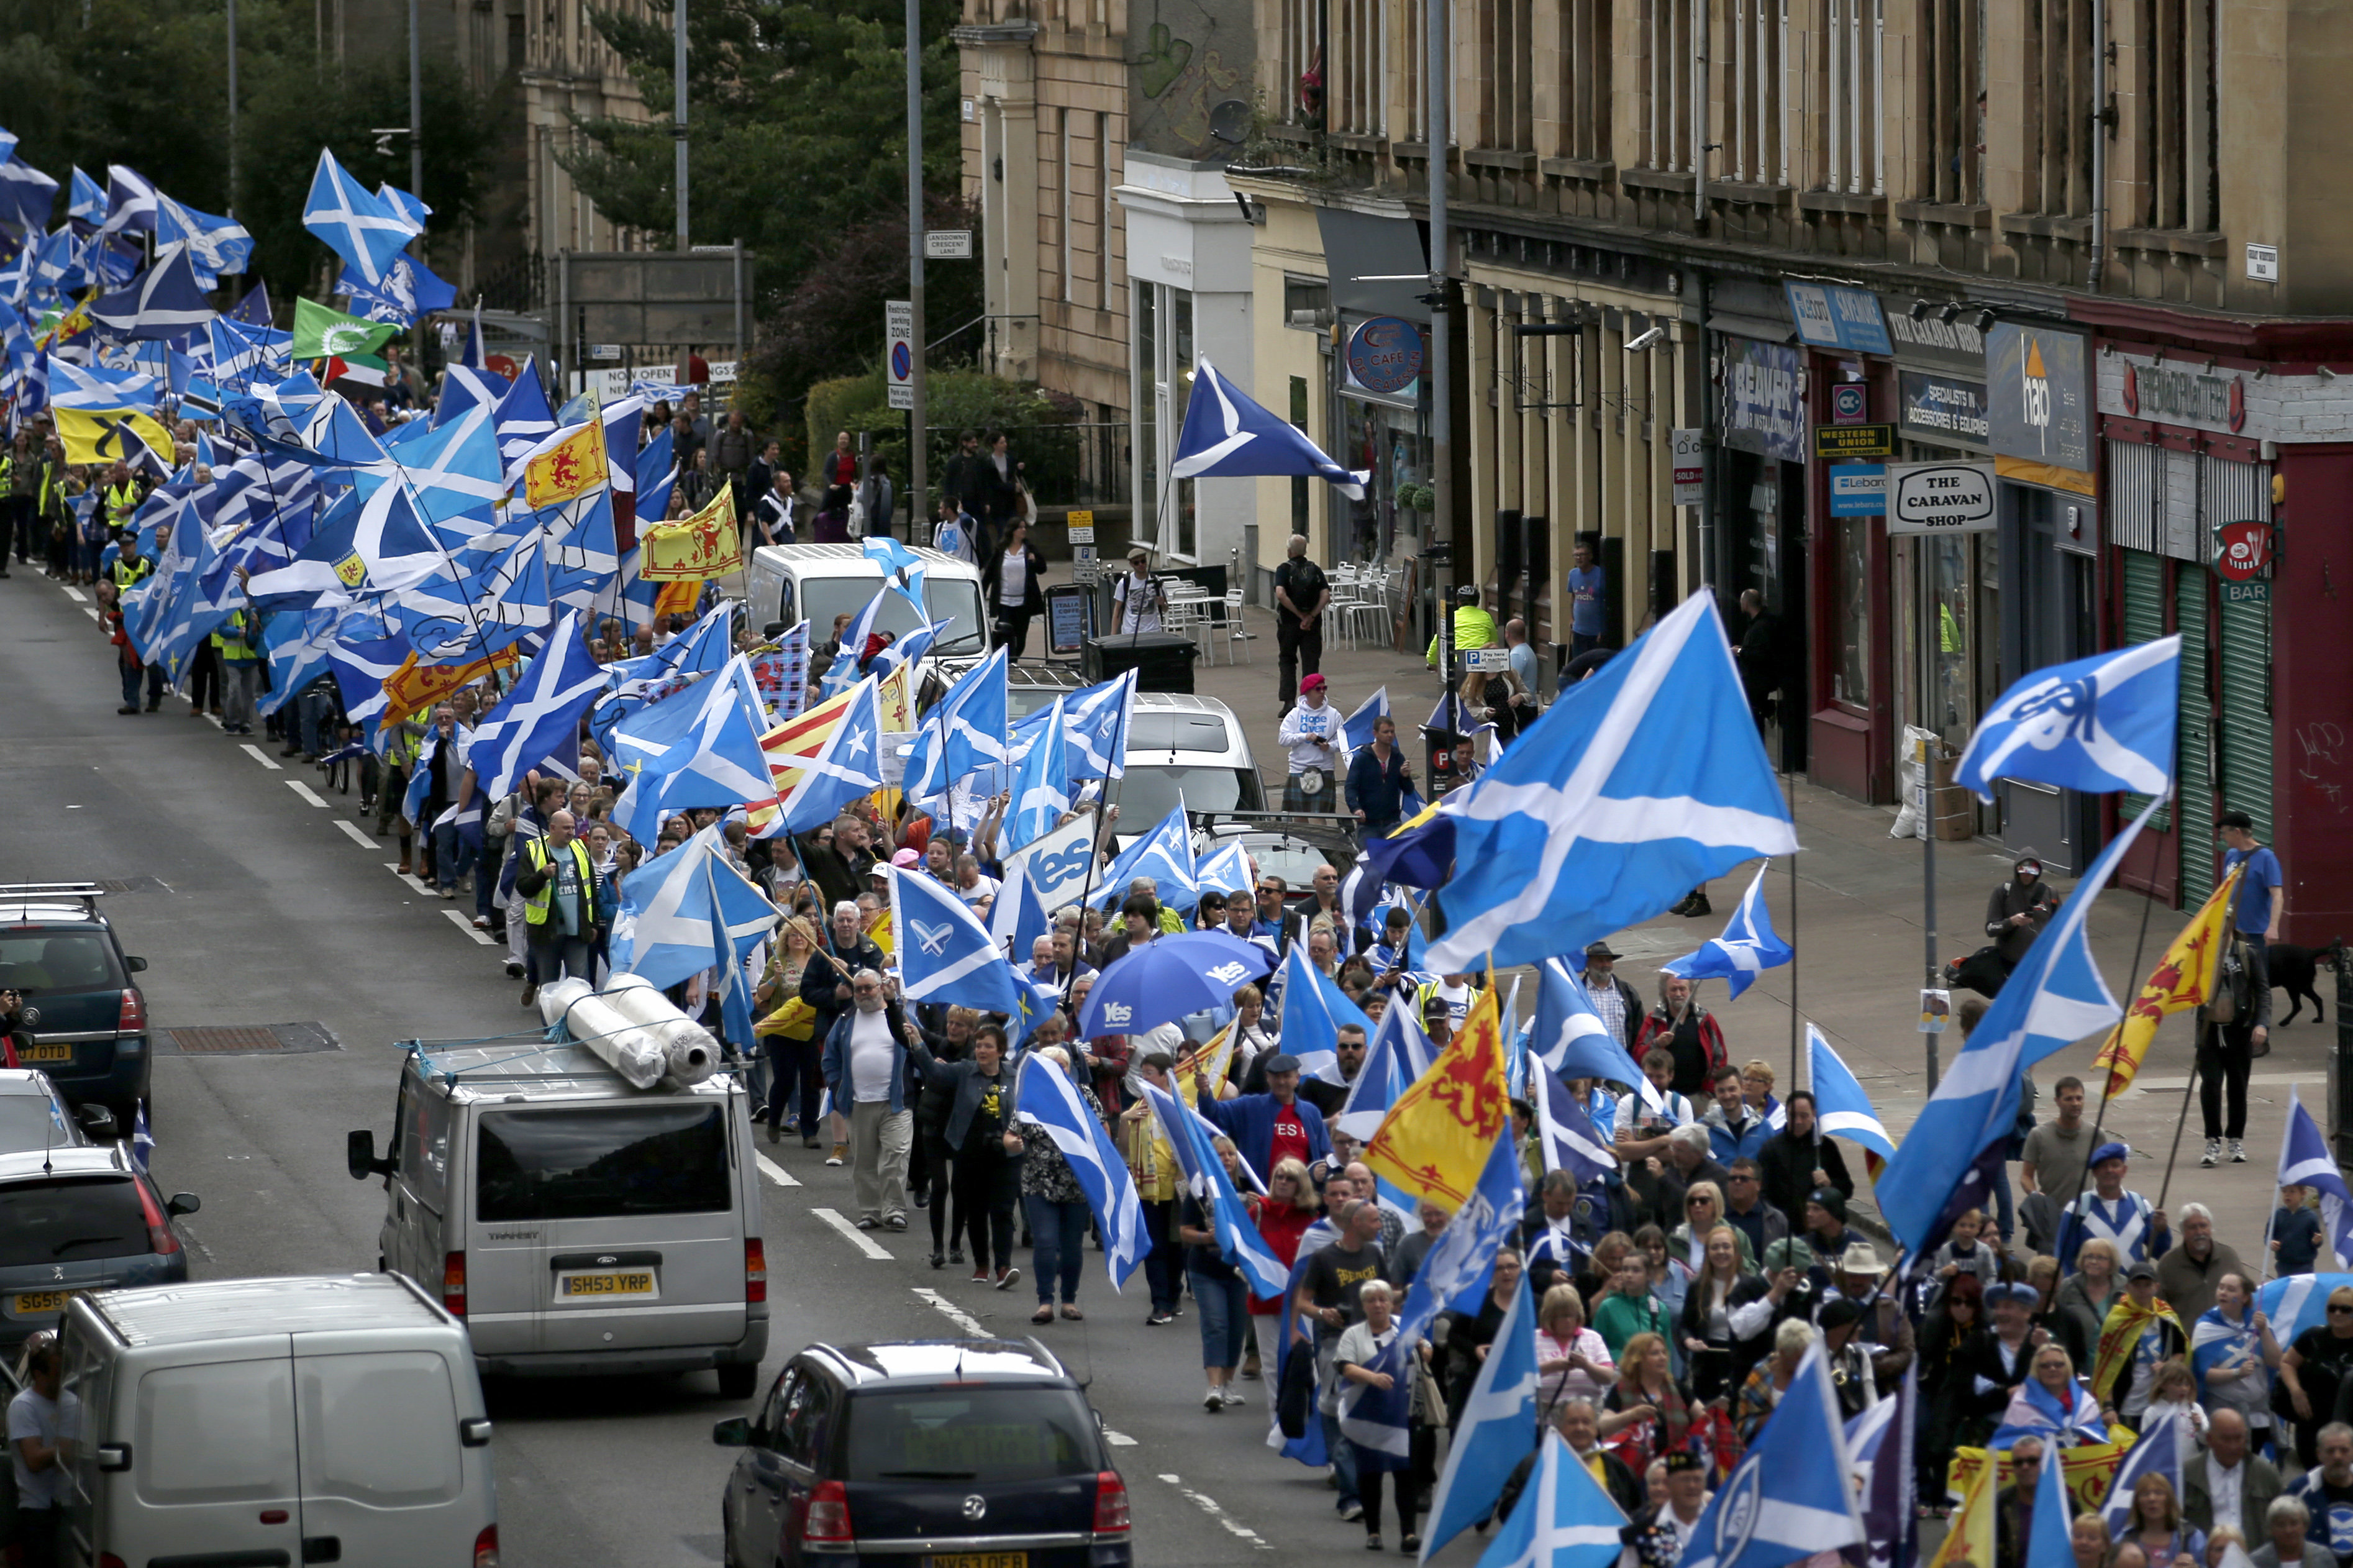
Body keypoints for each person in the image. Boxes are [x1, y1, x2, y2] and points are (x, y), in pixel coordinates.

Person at [1296, 1198, 1390, 1521]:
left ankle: (1361, 1485)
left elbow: (1389, 1296)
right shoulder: (1324, 1258)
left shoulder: (1376, 1254)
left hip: (1372, 1341)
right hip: (1335, 1343)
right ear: (1355, 1224)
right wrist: (1324, 1313)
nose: (1380, 1227)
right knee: (1337, 1413)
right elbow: (1303, 1302)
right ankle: (1350, 1497)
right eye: (1374, 1221)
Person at [909, 1021, 1019, 1285]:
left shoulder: (1015, 1076)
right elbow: (934, 1072)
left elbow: (1026, 1112)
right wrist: (917, 1043)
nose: (982, 1050)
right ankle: (982, 1265)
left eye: (988, 1046)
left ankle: (1003, 1267)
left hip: (1006, 1156)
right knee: (977, 1210)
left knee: (1003, 1212)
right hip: (971, 1153)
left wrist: (1018, 1138)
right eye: (979, 1045)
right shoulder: (964, 1072)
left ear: (1001, 1051)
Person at [1335, 1278, 1430, 1551]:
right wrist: (1373, 1378)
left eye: (1383, 1299)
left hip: (1404, 1412)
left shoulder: (1406, 1327)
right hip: (1367, 1414)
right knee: (1371, 1472)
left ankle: (1408, 1534)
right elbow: (1346, 1368)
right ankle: (1374, 1532)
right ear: (1363, 1306)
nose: (1378, 1304)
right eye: (1371, 1300)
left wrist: (1426, 1349)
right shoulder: (1353, 1335)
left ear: (1391, 1302)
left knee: (1405, 1472)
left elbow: (1426, 1350)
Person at [821, 969, 918, 1231]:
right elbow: (830, 1059)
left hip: (896, 1102)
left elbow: (919, 1048)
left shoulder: (899, 1018)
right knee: (864, 1161)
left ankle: (895, 1210)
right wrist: (838, 1086)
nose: (864, 994)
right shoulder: (846, 1020)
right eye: (859, 989)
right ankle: (871, 1211)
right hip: (858, 1103)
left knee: (896, 1155)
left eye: (869, 988)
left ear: (881, 988)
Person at [1017, 1047, 1103, 1322]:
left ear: (1069, 1069)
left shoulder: (1085, 1096)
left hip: (1076, 1183)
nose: (1058, 1071)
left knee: (1071, 1244)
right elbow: (1011, 1133)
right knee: (1044, 1241)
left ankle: (1069, 1300)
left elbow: (1102, 1132)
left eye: (1062, 1067)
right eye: (1051, 1067)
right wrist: (1013, 1143)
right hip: (1038, 1181)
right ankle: (1045, 1301)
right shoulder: (1030, 1098)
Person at [1181, 1134, 1256, 1411]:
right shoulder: (1200, 1190)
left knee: (1237, 1329)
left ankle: (1228, 1383)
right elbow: (1184, 1231)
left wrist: (1261, 1207)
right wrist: (1206, 1237)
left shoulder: (1249, 1189)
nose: (1226, 1160)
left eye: (1230, 1155)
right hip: (1206, 1269)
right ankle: (1213, 1387)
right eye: (1220, 1155)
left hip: (1239, 1272)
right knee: (1215, 1325)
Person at [2202, 889, 2273, 1167]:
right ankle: (2212, 1141)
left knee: (2238, 1087)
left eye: (2225, 922)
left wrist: (2262, 1024)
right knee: (2210, 1085)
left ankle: (2235, 1140)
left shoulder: (2247, 954)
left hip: (2239, 1031)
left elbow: (2263, 992)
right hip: (2209, 1032)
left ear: (2231, 924)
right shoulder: (2202, 956)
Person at [1198, 1051, 1331, 1182]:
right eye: (1276, 1077)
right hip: (1262, 1194)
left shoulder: (1311, 1113)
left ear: (1297, 1078)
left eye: (1286, 1076)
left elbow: (1324, 1152)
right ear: (1268, 1078)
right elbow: (1214, 1113)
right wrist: (1205, 1093)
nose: (1281, 1082)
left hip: (1302, 1196)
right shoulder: (1250, 1106)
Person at [513, 809, 599, 1001]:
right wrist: (542, 875)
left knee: (578, 985)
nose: (571, 832)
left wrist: (593, 924)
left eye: (572, 828)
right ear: (552, 828)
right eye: (566, 828)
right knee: (549, 987)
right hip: (547, 932)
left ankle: (572, 1024)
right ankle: (549, 1024)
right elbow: (523, 888)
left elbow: (592, 888)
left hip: (578, 930)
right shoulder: (535, 851)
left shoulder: (580, 848)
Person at [2093, 1260, 2187, 1425]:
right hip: (2128, 1408)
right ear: (2127, 1288)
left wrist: (2168, 1365)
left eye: (2147, 1285)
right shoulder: (2117, 1321)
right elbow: (2105, 1368)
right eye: (2137, 1285)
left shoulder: (2166, 1316)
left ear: (2156, 1287)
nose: (2142, 1291)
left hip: (2161, 1405)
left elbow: (2181, 1350)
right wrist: (2107, 1407)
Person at [9, 1339, 76, 1568]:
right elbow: (34, 1461)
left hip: (71, 1506)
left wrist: (61, 1451)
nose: (62, 1379)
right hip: (38, 1510)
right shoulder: (24, 1406)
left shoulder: (73, 1404)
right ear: (38, 1374)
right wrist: (64, 1450)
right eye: (57, 1373)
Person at [2195, 1272, 2283, 1438]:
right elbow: (2203, 1374)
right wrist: (2237, 1373)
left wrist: (2264, 1331)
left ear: (2244, 1297)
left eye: (2231, 1289)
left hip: (2258, 1413)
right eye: (2221, 1287)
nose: (2223, 1292)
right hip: (2223, 1410)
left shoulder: (2258, 1322)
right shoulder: (2206, 1327)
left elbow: (2276, 1361)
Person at [2059, 1141, 2172, 1269]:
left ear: (2124, 1171)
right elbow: (2064, 1259)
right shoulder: (2077, 1209)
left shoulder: (2141, 1205)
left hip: (2132, 1288)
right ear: (2094, 1172)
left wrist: (2162, 1231)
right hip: (2091, 1287)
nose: (2109, 1170)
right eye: (2103, 1166)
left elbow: (2160, 1252)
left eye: (2115, 1165)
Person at [2021, 1074, 2096, 1255]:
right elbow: (2026, 1176)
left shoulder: (2095, 1134)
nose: (2075, 1103)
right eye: (2069, 1099)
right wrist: (2036, 1197)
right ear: (2057, 1101)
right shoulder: (2038, 1136)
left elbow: (2105, 1173)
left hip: (2084, 1219)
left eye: (2079, 1098)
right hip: (2052, 1221)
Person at [2187, 1406, 2285, 1543]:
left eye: (2238, 1438)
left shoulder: (2265, 1473)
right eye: (2226, 1440)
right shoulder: (2189, 1475)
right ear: (2210, 1439)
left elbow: (2283, 1519)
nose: (2233, 1446)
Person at [1755, 1092, 1852, 1228]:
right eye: (1793, 1116)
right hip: (1784, 1228)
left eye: (1804, 1116)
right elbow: (1762, 1192)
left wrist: (1830, 1183)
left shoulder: (1825, 1147)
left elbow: (1847, 1189)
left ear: (1813, 1114)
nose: (1798, 1121)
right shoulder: (1771, 1149)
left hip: (1820, 1229)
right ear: (1787, 1115)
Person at [2280, 1287, 2353, 1469]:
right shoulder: (2314, 1336)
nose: (2337, 1313)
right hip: (2311, 1425)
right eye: (2332, 1308)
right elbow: (2287, 1363)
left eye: (2345, 1309)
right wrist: (2296, 1391)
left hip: (2348, 1428)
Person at [1634, 972, 1728, 1098]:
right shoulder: (1653, 1020)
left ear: (1691, 991)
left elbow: (1720, 1056)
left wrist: (1710, 1090)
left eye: (1682, 989)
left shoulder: (1705, 1019)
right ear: (1665, 993)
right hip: (1664, 1097)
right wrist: (1656, 1044)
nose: (1678, 994)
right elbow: (1637, 1057)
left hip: (1698, 1096)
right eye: (1673, 989)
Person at [2159, 1205, 2250, 1327]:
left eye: (2203, 1226)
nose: (2199, 1232)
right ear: (2183, 1232)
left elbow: (2246, 1295)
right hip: (2187, 1342)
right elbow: (2159, 1306)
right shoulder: (2168, 1264)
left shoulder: (2229, 1257)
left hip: (2226, 1338)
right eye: (2192, 1227)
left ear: (2211, 1228)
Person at [1271, 532, 1330, 710]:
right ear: (1304, 551)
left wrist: (1298, 615)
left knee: (1288, 660)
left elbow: (1281, 594)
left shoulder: (1283, 570)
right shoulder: (1315, 569)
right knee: (1311, 662)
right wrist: (1310, 616)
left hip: (1289, 624)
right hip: (1312, 625)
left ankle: (1289, 702)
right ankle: (1311, 700)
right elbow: (1326, 596)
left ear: (1289, 551)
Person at [1624, 1450, 1711, 1568]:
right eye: (1685, 1479)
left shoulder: (1723, 1527)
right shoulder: (1640, 1535)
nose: (1692, 1486)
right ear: (1670, 1484)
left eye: (1698, 1479)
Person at [1995, 1437, 2069, 1568]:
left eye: (2033, 1461)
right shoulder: (1998, 1506)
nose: (2025, 1467)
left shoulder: (2065, 1505)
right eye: (2018, 1462)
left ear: (2045, 1463)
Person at [1986, 849, 2063, 972]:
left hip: (2041, 964)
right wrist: (2011, 922)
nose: (2027, 876)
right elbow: (1990, 929)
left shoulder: (2050, 894)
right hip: (2011, 965)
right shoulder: (2003, 892)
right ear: (2017, 870)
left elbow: (2061, 928)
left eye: (2032, 872)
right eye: (2023, 872)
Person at [982, 517, 1047, 658]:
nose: (1024, 530)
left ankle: (1015, 657)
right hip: (1004, 602)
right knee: (1005, 633)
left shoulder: (1029, 549)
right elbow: (989, 573)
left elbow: (1042, 569)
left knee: (1021, 636)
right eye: (1020, 528)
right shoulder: (1001, 550)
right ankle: (1008, 661)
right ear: (1013, 531)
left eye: (1024, 527)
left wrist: (1034, 561)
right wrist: (981, 591)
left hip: (1024, 603)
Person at [1276, 673, 1341, 812]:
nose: (1322, 692)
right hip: (1299, 769)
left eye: (1325, 688)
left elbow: (1344, 742)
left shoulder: (1334, 715)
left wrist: (1330, 747)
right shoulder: (1295, 714)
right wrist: (1304, 736)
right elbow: (1283, 739)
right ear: (1307, 692)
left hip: (1324, 769)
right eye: (1318, 689)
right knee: (1299, 817)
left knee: (1320, 816)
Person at [2291, 1424, 2353, 1568]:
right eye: (2330, 1451)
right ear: (2319, 1454)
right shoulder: (2299, 1491)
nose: (2337, 1456)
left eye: (2344, 1450)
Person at [1344, 714, 1414, 839]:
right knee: (1367, 856)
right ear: (1375, 734)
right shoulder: (1362, 758)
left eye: (1392, 732)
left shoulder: (1398, 758)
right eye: (1386, 732)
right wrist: (1355, 809)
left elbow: (1408, 790)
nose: (1390, 735)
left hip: (1392, 823)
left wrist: (1405, 777)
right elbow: (1350, 787)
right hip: (1368, 824)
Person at [2122, 1472, 2208, 1568]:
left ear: (2169, 1499)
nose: (2152, 1499)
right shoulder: (2124, 1541)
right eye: (2145, 1494)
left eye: (2159, 1493)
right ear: (2137, 1502)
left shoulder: (2192, 1536)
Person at [1579, 941, 1644, 1052]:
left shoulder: (1627, 992)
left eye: (1608, 960)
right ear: (1588, 964)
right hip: (1590, 1061)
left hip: (1622, 1060)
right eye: (1600, 960)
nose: (1605, 965)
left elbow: (1640, 1029)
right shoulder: (1577, 992)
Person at [2257, 1497, 2334, 1568]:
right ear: (2271, 1528)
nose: (2288, 1530)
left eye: (2294, 1523)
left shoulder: (2323, 1556)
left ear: (2305, 1525)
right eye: (2281, 1525)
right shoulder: (2257, 1561)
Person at [1566, 538, 1605, 655]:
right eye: (1576, 555)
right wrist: (1572, 618)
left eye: (1582, 555)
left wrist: (1602, 630)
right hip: (1578, 631)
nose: (1578, 558)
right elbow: (1573, 597)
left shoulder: (1600, 574)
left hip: (1595, 633)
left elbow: (1605, 602)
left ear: (1590, 556)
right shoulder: (1572, 574)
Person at [1113, 545, 1162, 633]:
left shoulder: (1156, 581)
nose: (1141, 565)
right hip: (1130, 632)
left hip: (1152, 631)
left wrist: (1163, 604)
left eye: (1143, 561)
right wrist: (1112, 636)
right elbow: (1117, 611)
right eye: (1136, 563)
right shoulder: (1124, 583)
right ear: (1131, 564)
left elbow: (1165, 609)